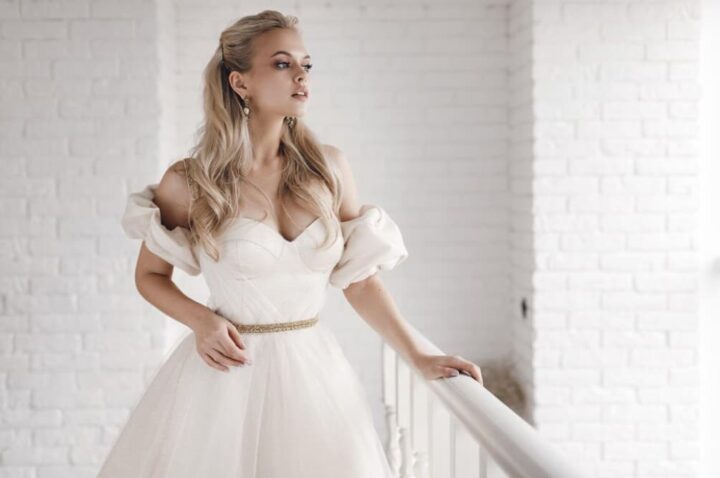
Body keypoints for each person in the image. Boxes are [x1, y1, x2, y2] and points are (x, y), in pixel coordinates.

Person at [98, 10, 483, 477]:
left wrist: (418, 354)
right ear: (240, 83)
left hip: (315, 374)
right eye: (282, 64)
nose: (301, 76)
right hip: (224, 378)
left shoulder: (329, 169)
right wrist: (202, 322)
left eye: (306, 64)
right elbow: (150, 276)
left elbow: (359, 281)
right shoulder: (191, 181)